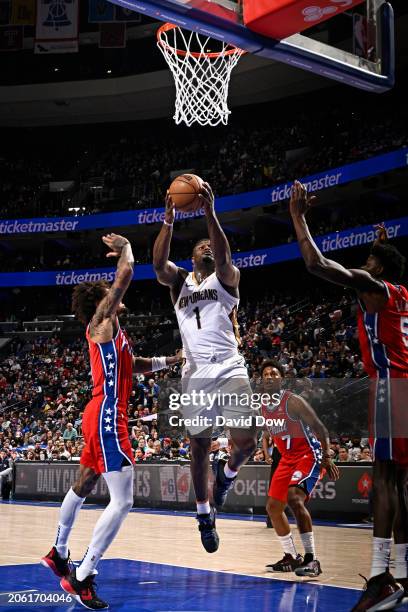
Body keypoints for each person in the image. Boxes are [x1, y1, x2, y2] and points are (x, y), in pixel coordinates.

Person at [41, 233, 181, 610]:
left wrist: (171, 360)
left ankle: (58, 551)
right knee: (123, 500)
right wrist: (126, 249)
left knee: (85, 483)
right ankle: (83, 574)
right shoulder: (102, 321)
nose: (114, 294)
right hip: (106, 414)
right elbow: (127, 272)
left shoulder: (112, 335)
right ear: (101, 301)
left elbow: (133, 366)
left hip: (97, 411)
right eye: (108, 293)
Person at [289, 180, 408, 610]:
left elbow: (317, 263)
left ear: (378, 272)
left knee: (383, 483)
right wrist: (384, 247)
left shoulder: (378, 289)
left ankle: (379, 578)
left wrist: (298, 217)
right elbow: (388, 271)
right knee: (399, 484)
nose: (363, 267)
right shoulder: (400, 294)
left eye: (369, 261)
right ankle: (403, 575)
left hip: (392, 388)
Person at [153, 183, 257, 554]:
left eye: (210, 245)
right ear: (192, 256)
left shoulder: (226, 279)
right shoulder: (180, 282)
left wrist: (210, 213)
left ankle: (226, 477)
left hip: (229, 365)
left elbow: (225, 255)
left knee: (247, 442)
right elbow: (158, 266)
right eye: (201, 246)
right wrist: (168, 220)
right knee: (198, 446)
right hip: (195, 372)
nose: (207, 247)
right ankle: (203, 515)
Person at [261, 359, 339, 577]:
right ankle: (291, 556)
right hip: (286, 458)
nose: (269, 376)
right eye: (265, 374)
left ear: (282, 379)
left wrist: (326, 456)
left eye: (274, 373)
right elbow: (270, 434)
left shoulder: (293, 401)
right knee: (273, 508)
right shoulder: (263, 406)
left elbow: (320, 428)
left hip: (308, 454)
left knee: (294, 498)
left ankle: (312, 560)